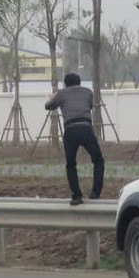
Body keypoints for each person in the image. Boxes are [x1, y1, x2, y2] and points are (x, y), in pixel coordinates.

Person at [45, 72, 105, 206]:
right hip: (86, 128)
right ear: (79, 82)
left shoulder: (61, 93)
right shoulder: (88, 92)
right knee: (98, 160)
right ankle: (95, 193)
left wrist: (52, 98)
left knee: (71, 164)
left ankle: (77, 196)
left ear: (66, 83)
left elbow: (48, 106)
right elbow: (89, 106)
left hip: (70, 130)